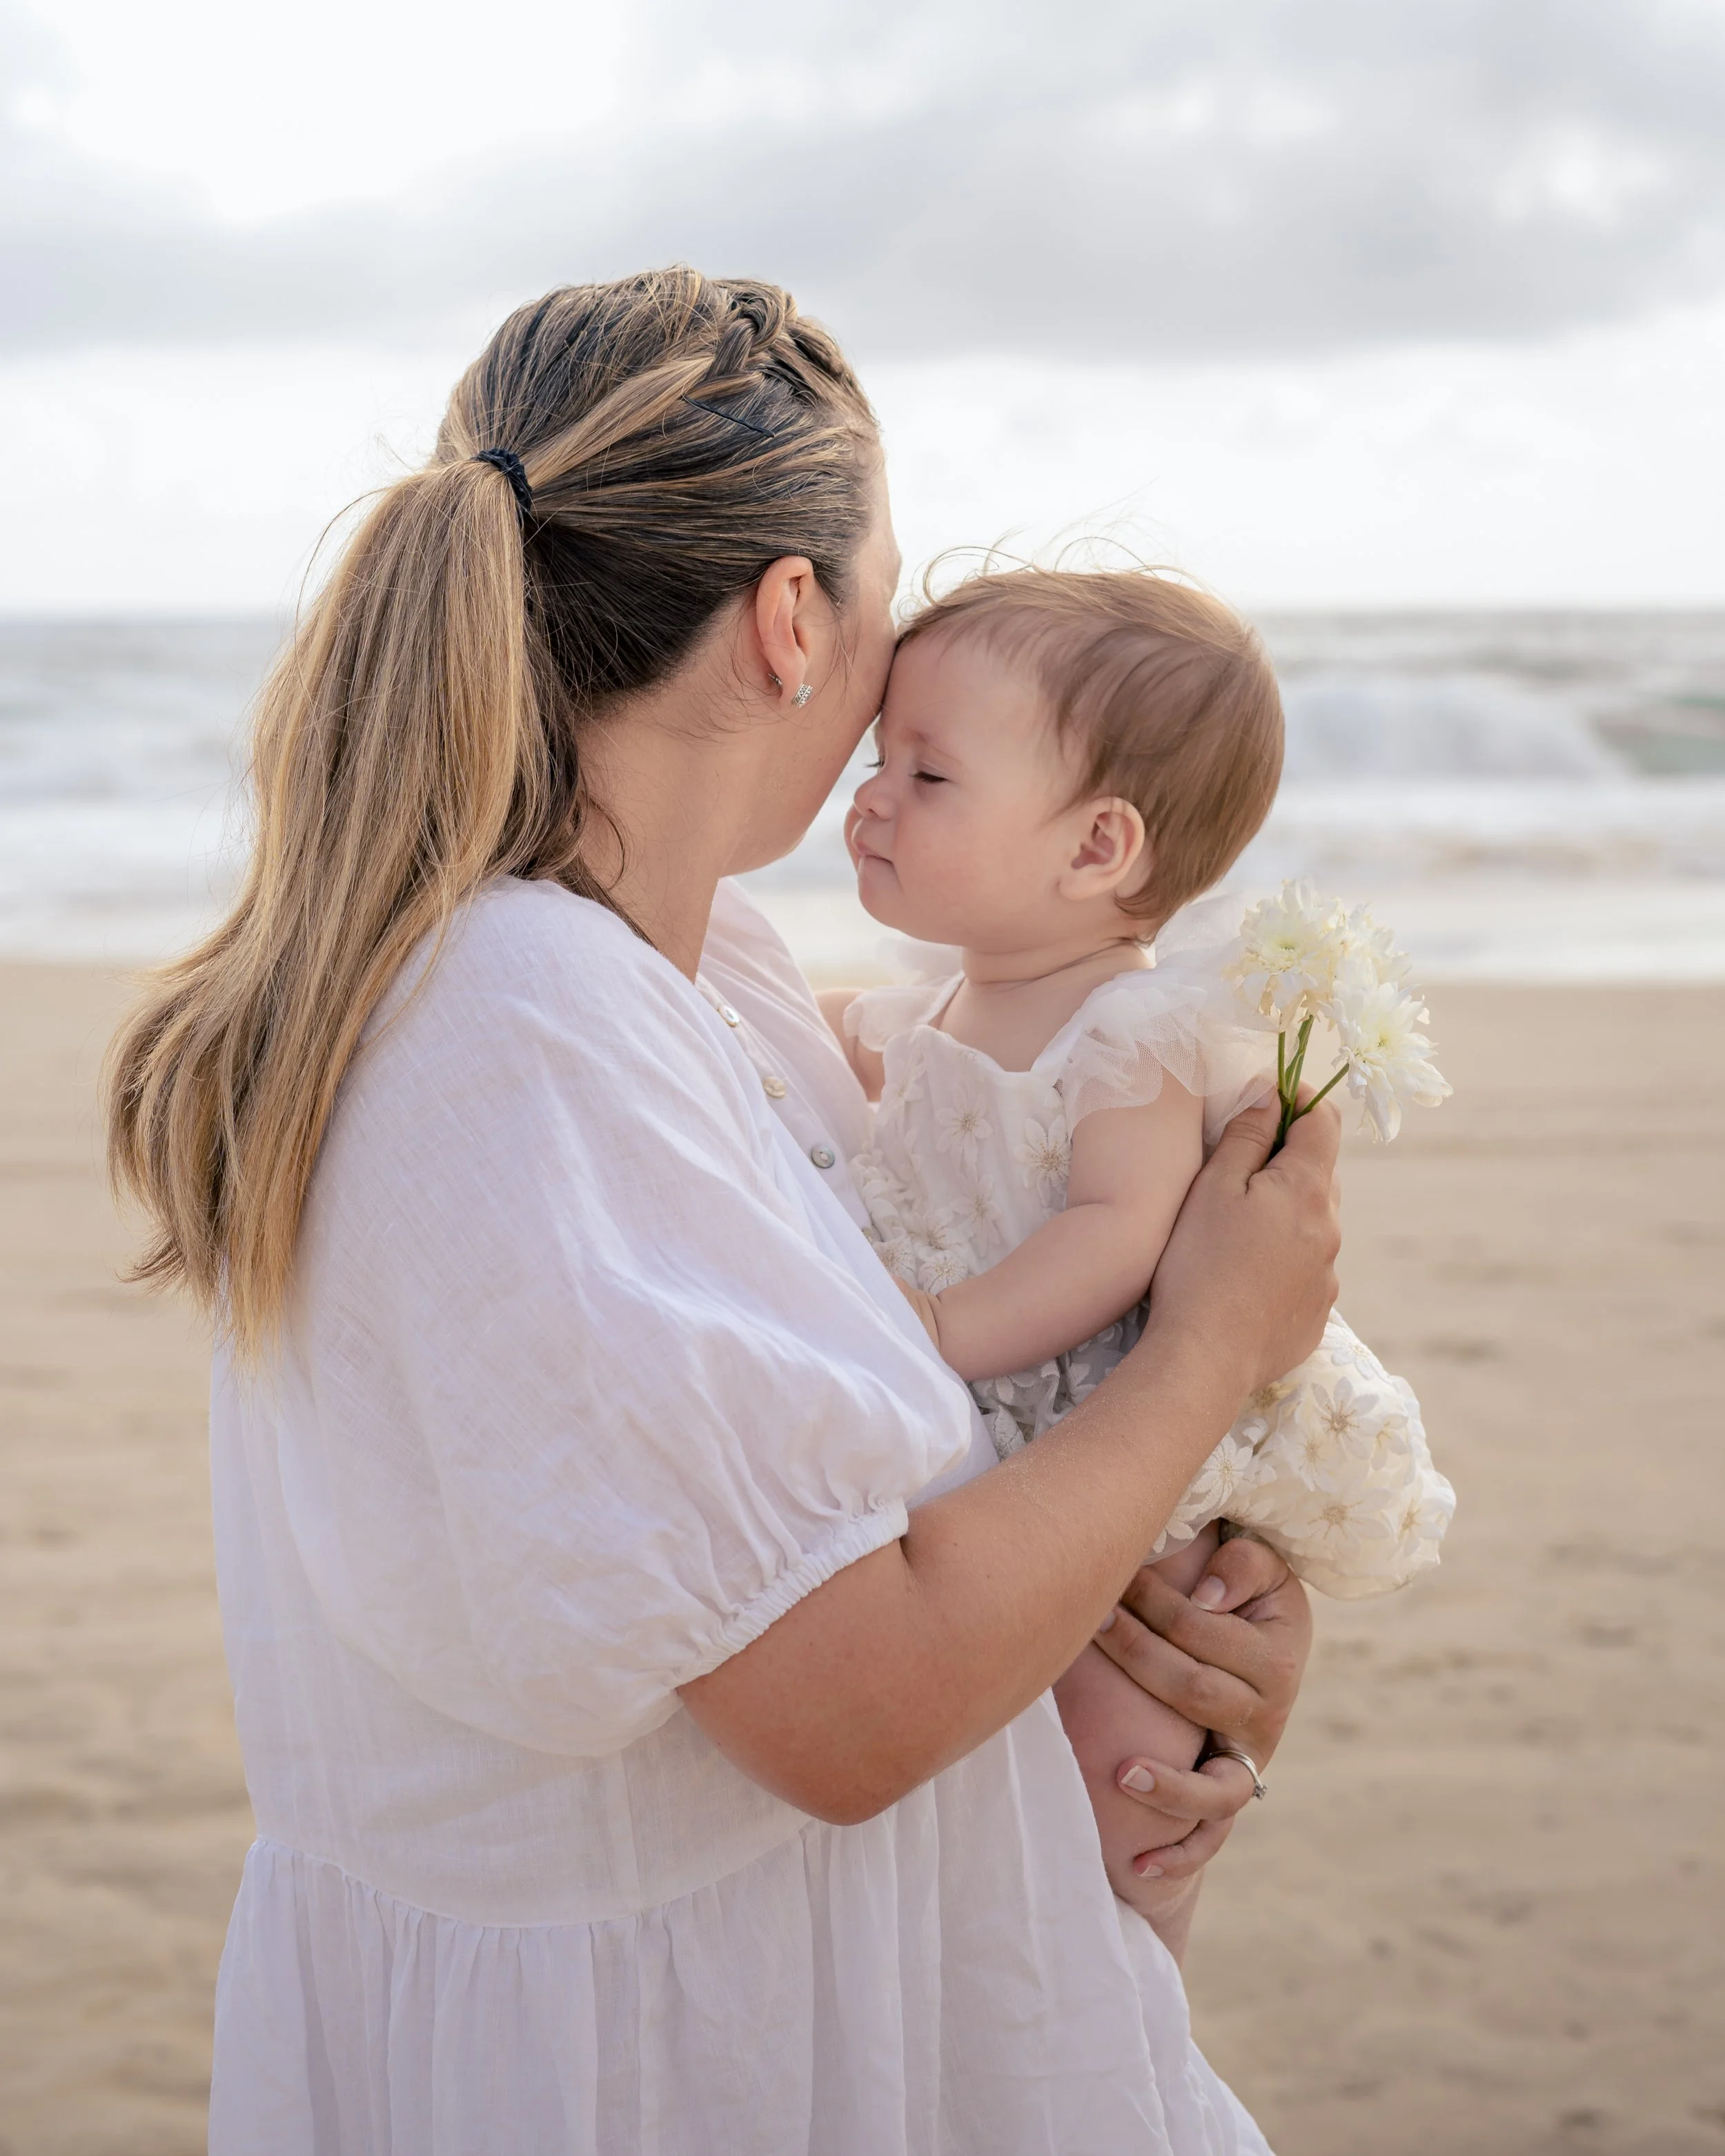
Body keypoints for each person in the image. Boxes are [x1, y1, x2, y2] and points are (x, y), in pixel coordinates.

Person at [106, 269, 1339, 2155]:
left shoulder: (701, 977)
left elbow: (858, 1519)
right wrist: (1209, 1348)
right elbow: (848, 1706)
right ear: (787, 621)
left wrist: (1158, 1660)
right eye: (885, 591)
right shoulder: (521, 1026)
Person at [821, 566, 1455, 1912]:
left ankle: (1127, 1910)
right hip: (1001, 1421)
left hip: (1089, 1405)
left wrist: (938, 1330)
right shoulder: (950, 998)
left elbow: (1113, 1236)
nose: (868, 798)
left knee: (1122, 1692)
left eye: (926, 775)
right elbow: (864, 1053)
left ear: (1096, 848)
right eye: (878, 762)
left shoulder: (1127, 1029)